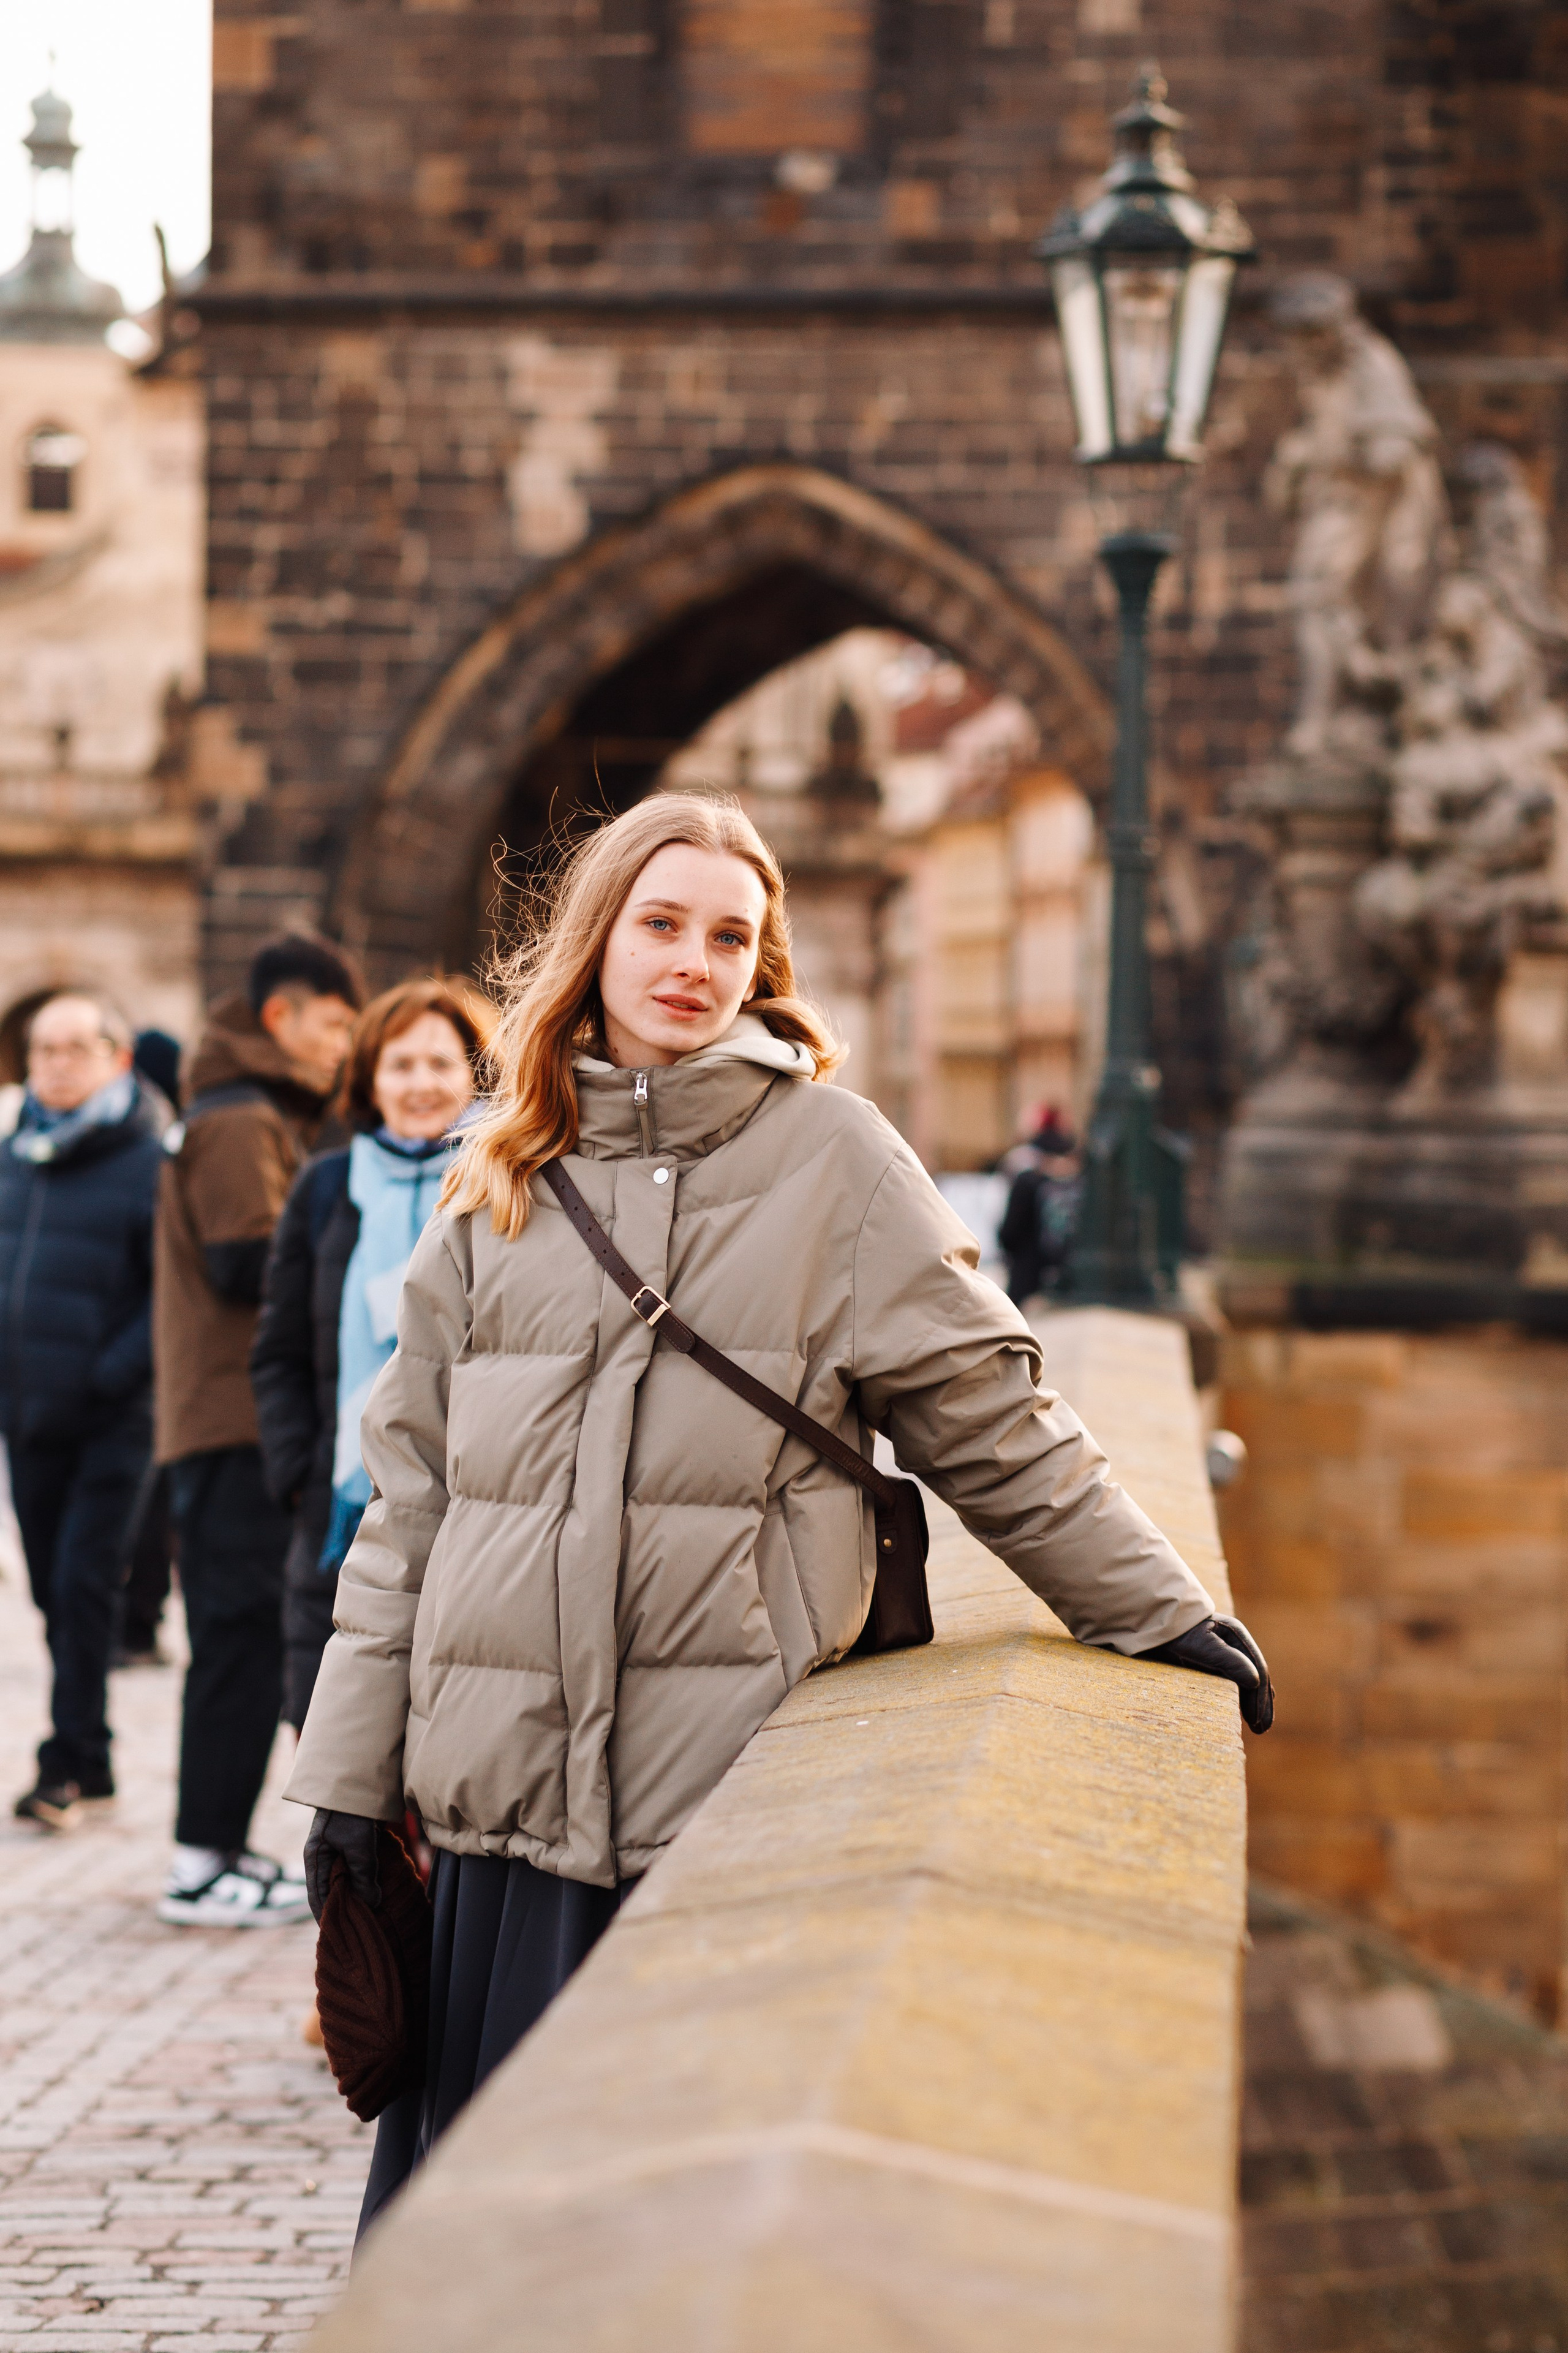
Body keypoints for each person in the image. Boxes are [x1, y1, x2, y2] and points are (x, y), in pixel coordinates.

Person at [285, 794, 1274, 2234]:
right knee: (477, 2253)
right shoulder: (501, 1167)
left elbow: (991, 1422)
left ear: (764, 963)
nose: (693, 959)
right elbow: (410, 1504)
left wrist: (1160, 1605)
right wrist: (345, 1779)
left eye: (730, 935)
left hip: (712, 1803)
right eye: (663, 924)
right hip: (502, 1816)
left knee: (655, 2247)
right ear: (598, 938)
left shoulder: (836, 1159)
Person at [154, 934, 362, 1927]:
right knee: (236, 1635)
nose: (341, 1051)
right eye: (333, 1028)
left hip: (229, 1415)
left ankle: (221, 1848)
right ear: (281, 1019)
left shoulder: (259, 1109)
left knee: (239, 1633)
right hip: (232, 1416)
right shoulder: (241, 1118)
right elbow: (247, 1264)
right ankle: (202, 1862)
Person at [252, 978, 495, 1734]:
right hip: (342, 1505)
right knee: (331, 1730)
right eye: (400, 1065)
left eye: (439, 1063)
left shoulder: (508, 1178)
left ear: (475, 1073)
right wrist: (299, 1472)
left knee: (455, 1730)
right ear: (369, 1078)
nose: (421, 1083)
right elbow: (279, 1346)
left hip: (477, 1503)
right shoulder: (327, 1187)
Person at [0, 992, 165, 1829]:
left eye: (74, 1049)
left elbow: (166, 1293)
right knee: (51, 1593)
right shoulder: (15, 1154)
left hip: (113, 1417)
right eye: (42, 1051)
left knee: (83, 1581)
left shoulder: (149, 1159)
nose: (56, 1065)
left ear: (116, 1059)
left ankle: (62, 1763)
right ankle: (92, 1753)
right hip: (26, 1414)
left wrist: (110, 1374)